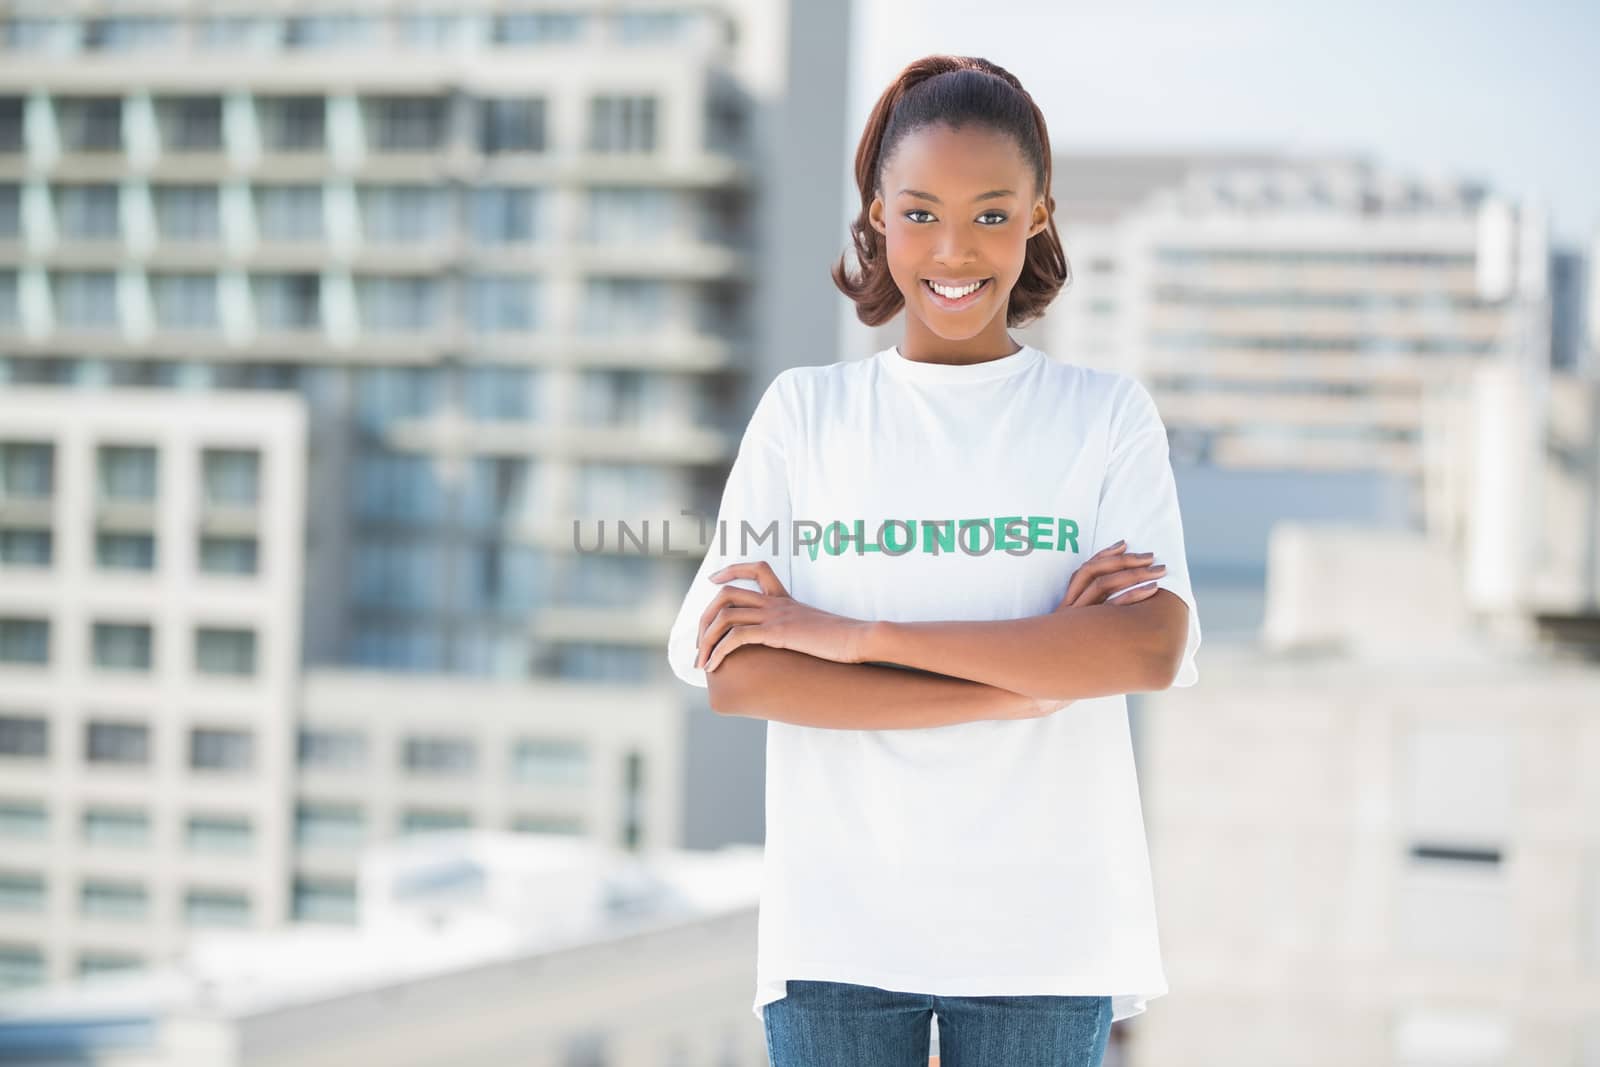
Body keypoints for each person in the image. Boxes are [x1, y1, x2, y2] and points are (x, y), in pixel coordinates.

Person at [666, 54, 1202, 1067]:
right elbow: (735, 670)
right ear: (873, 213)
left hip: (1043, 926)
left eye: (991, 214)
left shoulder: (1102, 417)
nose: (953, 249)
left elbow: (1145, 647)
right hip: (836, 926)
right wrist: (1025, 680)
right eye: (918, 213)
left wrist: (851, 637)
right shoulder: (805, 414)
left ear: (1040, 213)